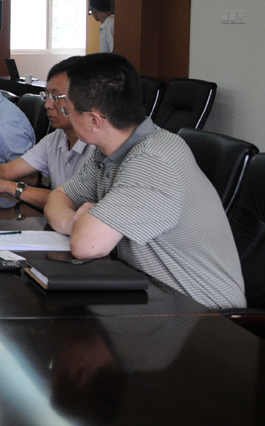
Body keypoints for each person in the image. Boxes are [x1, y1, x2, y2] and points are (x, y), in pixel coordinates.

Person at [44, 53, 245, 309]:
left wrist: (82, 226)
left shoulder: (153, 160)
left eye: (68, 110)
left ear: (94, 120)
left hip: (203, 317)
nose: (66, 116)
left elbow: (87, 245)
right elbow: (59, 197)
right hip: (149, 298)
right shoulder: (109, 150)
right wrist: (72, 221)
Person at [0, 56, 95, 208]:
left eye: (56, 97)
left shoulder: (98, 148)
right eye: (47, 96)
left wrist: (9, 186)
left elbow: (72, 201)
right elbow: (5, 171)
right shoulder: (54, 139)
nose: (48, 105)